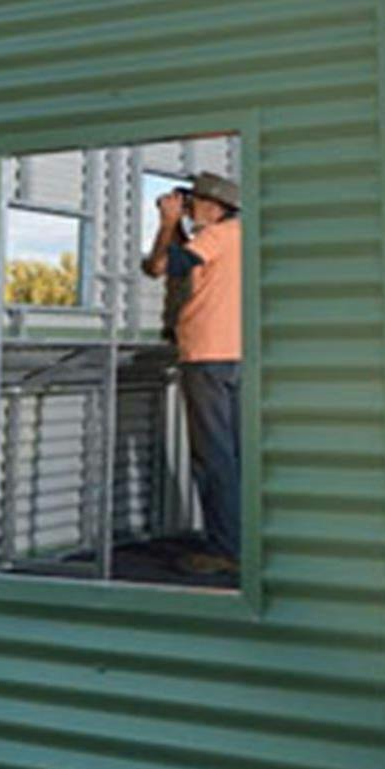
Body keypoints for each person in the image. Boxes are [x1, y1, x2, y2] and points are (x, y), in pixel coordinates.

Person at [141, 171, 242, 577]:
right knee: (236, 455)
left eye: (194, 201)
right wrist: (181, 228)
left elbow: (158, 266)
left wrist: (167, 224)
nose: (188, 206)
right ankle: (241, 541)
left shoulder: (218, 236)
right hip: (239, 355)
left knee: (213, 456)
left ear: (215, 207)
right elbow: (184, 264)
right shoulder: (239, 236)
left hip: (207, 356)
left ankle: (225, 549)